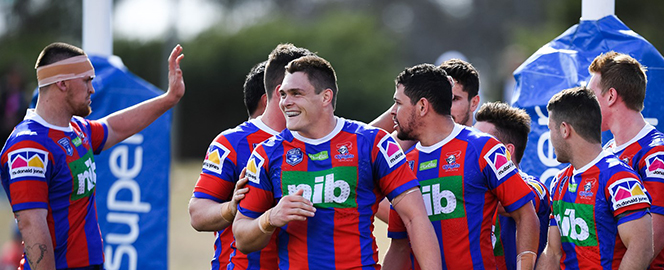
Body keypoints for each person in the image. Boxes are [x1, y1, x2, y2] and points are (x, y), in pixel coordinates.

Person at [232, 56, 441, 269]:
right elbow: (241, 237)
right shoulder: (266, 154)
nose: (286, 102)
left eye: (297, 93)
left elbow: (416, 218)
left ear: (325, 97)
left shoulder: (372, 143)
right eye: (283, 94)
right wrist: (270, 218)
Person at [0, 42, 186, 270]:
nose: (92, 89)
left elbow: (115, 127)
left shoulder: (76, 129)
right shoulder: (29, 146)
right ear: (62, 82)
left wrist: (169, 99)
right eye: (86, 80)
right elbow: (31, 226)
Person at [383, 64, 538, 270]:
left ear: (422, 106)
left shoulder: (484, 148)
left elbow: (526, 214)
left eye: (398, 103)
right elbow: (399, 246)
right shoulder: (405, 164)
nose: (393, 112)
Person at [188, 44, 314, 270]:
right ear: (281, 92)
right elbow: (197, 215)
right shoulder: (232, 143)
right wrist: (232, 207)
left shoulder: (316, 140)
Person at [587, 51, 664, 269]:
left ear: (611, 96)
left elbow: (653, 239)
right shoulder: (607, 151)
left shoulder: (660, 155)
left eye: (591, 95)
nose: (586, 106)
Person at [538, 86, 653, 270]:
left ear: (564, 129)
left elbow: (642, 248)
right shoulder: (559, 182)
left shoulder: (619, 178)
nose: (550, 138)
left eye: (550, 129)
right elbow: (552, 252)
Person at [371, 58, 482, 223]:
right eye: (441, 98)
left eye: (453, 99)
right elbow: (363, 149)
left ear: (474, 103)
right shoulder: (412, 144)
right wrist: (416, 224)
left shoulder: (484, 144)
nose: (445, 106)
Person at [473, 102, 551, 270]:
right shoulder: (476, 185)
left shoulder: (535, 187)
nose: (473, 148)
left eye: (482, 142)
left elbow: (518, 199)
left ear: (506, 152)